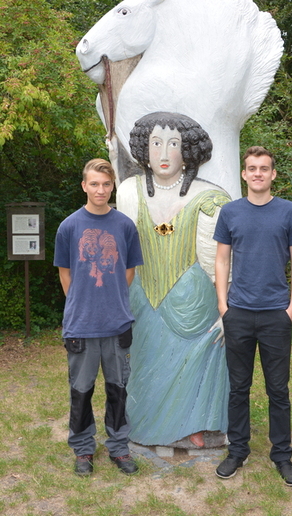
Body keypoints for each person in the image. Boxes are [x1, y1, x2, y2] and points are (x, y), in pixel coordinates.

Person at [116, 112, 231, 449]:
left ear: (188, 150)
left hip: (196, 304)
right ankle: (145, 426)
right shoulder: (127, 192)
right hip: (142, 299)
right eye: (155, 143)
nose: (163, 154)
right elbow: (121, 254)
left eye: (173, 144)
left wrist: (227, 310)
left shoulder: (211, 199)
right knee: (145, 365)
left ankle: (198, 425)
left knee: (199, 363)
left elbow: (219, 262)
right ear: (143, 148)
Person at [213, 146, 292, 486]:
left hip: (275, 314)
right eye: (252, 168)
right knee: (238, 388)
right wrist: (223, 306)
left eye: (264, 168)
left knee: (278, 390)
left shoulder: (289, 212)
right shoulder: (230, 212)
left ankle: (282, 456)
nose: (257, 173)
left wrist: (291, 309)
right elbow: (221, 260)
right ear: (244, 174)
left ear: (273, 174)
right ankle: (237, 451)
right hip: (238, 312)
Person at [54, 158, 143, 476]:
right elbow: (65, 274)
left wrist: (111, 299)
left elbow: (128, 270)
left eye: (106, 184)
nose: (100, 189)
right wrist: (83, 304)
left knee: (117, 389)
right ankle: (82, 449)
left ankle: (119, 448)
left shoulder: (124, 226)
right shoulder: (69, 227)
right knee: (81, 391)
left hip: (117, 323)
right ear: (84, 186)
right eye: (94, 184)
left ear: (112, 186)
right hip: (81, 325)